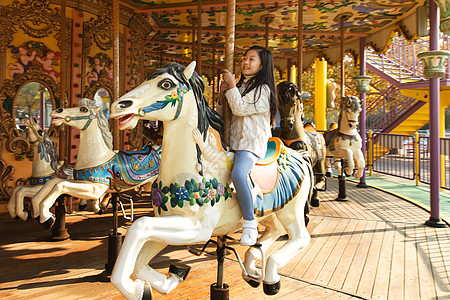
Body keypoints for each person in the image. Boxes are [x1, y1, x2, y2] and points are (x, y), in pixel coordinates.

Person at [221, 45, 277, 246]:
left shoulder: (263, 90)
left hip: (251, 143)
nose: (245, 61)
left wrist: (231, 85)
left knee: (238, 174)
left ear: (262, 65)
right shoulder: (243, 87)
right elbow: (226, 112)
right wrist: (224, 93)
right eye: (245, 58)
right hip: (234, 141)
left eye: (252, 59)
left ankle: (250, 223)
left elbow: (240, 109)